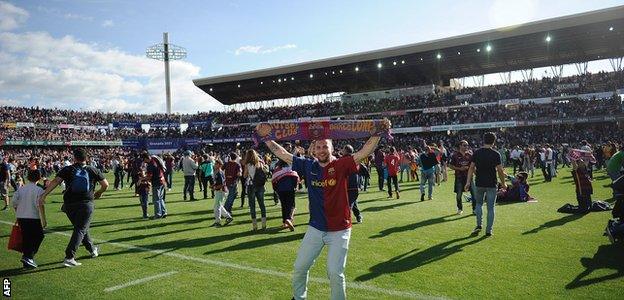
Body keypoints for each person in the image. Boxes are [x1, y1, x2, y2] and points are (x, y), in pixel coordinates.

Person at [262, 118, 390, 300]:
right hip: (315, 227)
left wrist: (378, 133)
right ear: (314, 150)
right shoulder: (308, 165)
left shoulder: (341, 164)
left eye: (325, 147)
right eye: (319, 147)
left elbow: (364, 152)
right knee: (300, 267)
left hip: (340, 229)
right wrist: (266, 137)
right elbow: (282, 153)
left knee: (334, 272)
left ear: (331, 149)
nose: (322, 150)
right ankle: (299, 297)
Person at [40, 148, 108, 267]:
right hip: (86, 203)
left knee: (80, 228)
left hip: (69, 205)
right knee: (80, 229)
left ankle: (92, 250)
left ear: (74, 158)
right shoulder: (92, 169)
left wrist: (44, 194)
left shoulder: (68, 169)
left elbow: (56, 181)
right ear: (86, 158)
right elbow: (105, 184)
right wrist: (99, 193)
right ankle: (69, 256)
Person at [465, 132, 506, 237]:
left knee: (478, 204)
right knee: (491, 207)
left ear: (483, 140)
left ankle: (479, 225)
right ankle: (489, 230)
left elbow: (471, 168)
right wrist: (503, 183)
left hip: (479, 182)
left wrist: (468, 182)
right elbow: (500, 170)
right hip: (491, 183)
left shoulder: (477, 153)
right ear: (494, 141)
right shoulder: (496, 154)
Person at [12, 169, 46, 269]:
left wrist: (18, 213)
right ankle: (28, 257)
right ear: (39, 178)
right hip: (33, 217)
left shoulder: (21, 189)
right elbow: (40, 205)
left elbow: (14, 202)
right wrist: (44, 219)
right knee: (39, 236)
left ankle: (27, 261)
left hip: (22, 217)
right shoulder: (39, 190)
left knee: (27, 238)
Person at [243, 149, 268, 231]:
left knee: (252, 206)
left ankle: (255, 226)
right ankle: (264, 225)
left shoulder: (248, 164)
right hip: (260, 185)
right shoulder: (260, 162)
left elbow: (244, 175)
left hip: (251, 185)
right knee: (262, 205)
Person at [272, 158, 299, 231]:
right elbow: (295, 178)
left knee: (283, 205)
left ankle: (285, 223)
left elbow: (273, 180)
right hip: (290, 188)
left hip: (280, 190)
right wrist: (295, 187)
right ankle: (288, 219)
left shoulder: (277, 169)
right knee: (291, 205)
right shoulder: (291, 168)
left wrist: (276, 189)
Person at [449, 140, 474, 215]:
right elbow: (450, 165)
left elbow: (473, 166)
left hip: (469, 177)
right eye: (464, 145)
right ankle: (460, 208)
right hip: (459, 177)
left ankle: (475, 209)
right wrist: (460, 169)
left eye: (467, 145)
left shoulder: (470, 155)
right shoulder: (455, 155)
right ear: (460, 146)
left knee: (474, 194)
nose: (466, 147)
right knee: (459, 195)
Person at [144, 152, 168, 218]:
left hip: (157, 182)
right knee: (160, 198)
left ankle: (158, 214)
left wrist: (143, 179)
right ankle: (163, 212)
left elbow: (149, 176)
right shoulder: (155, 160)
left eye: (144, 159)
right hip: (162, 180)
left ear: (146, 158)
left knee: (156, 199)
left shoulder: (150, 164)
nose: (144, 161)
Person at [342, 145, 363, 223]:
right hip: (354, 185)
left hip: (347, 185)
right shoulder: (355, 159)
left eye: (343, 149)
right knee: (352, 202)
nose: (342, 150)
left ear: (346, 151)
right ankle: (358, 216)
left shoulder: (343, 160)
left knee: (348, 204)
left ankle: (345, 220)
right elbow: (362, 169)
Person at [210, 159, 233, 227]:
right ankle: (228, 217)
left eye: (216, 164)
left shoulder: (219, 172)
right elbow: (218, 182)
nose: (214, 165)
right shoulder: (218, 172)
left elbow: (222, 184)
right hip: (220, 190)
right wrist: (213, 185)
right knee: (219, 206)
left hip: (221, 191)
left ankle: (218, 222)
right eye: (215, 164)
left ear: (220, 165)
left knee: (217, 207)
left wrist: (214, 187)